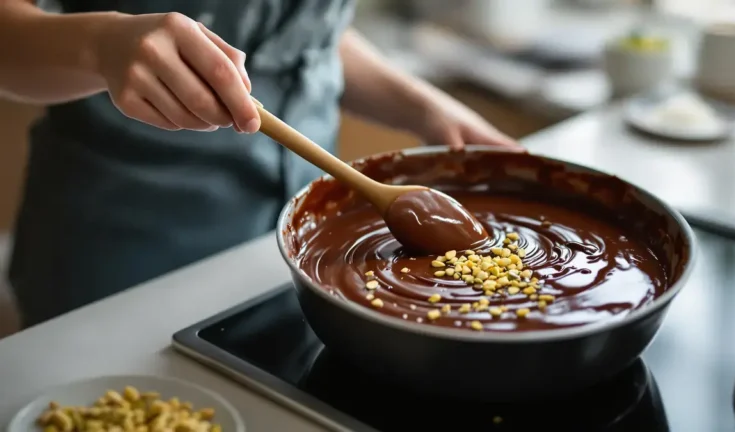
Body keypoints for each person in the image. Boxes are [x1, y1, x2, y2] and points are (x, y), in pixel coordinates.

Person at [0, 0, 520, 328]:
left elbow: (303, 28)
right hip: (124, 252)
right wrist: (101, 44)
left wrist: (423, 108)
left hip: (301, 258)